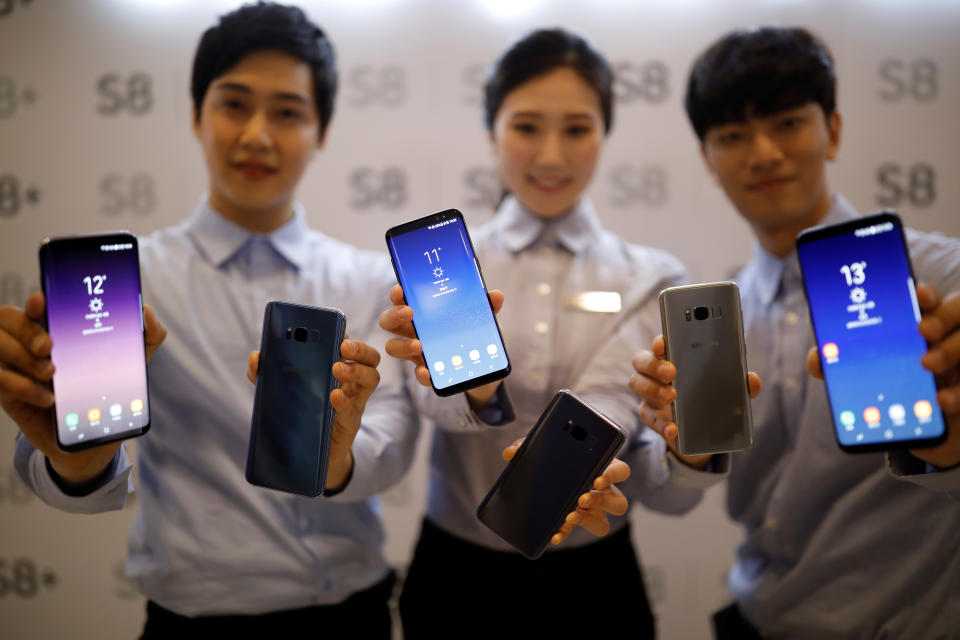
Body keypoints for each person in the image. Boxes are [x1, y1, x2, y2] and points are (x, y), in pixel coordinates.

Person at [1, 3, 419, 636]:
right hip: (191, 621)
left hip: (350, 613)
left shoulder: (365, 280)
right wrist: (78, 456)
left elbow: (390, 445)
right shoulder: (126, 281)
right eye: (234, 104)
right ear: (196, 114)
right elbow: (64, 480)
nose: (257, 135)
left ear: (321, 130)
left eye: (287, 111)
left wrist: (334, 459)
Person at [379, 28, 716, 638]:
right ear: (492, 132)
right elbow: (431, 401)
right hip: (456, 575)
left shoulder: (652, 276)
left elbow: (623, 411)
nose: (552, 156)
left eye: (578, 129)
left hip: (597, 578)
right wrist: (477, 392)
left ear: (604, 135)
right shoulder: (447, 262)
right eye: (527, 127)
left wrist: (683, 448)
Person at [629, 26, 960, 639]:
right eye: (731, 136)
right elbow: (672, 498)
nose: (762, 154)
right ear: (707, 159)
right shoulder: (724, 311)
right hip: (754, 618)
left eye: (786, 123)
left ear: (832, 130)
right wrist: (684, 448)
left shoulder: (937, 276)